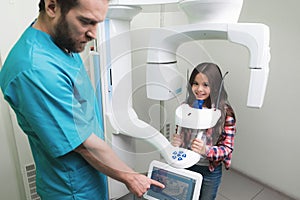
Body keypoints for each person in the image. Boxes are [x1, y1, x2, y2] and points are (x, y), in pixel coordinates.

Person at [0, 0, 164, 199]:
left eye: (97, 23)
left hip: (91, 178)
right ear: (52, 7)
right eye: (86, 22)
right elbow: (84, 145)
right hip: (72, 190)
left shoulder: (62, 41)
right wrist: (131, 177)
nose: (93, 34)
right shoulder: (36, 70)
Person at [171, 62, 236, 200]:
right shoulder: (185, 107)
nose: (199, 89)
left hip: (209, 171)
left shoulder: (225, 113)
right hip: (187, 164)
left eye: (206, 85)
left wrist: (206, 150)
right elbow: (180, 133)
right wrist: (179, 141)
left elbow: (227, 148)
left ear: (216, 86)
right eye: (195, 83)